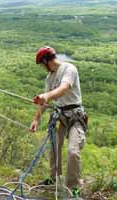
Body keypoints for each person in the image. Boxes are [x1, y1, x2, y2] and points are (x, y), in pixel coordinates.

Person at [30, 46, 87, 198]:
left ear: (45, 61)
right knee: (54, 146)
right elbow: (44, 103)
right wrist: (36, 119)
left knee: (73, 152)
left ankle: (73, 187)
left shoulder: (69, 69)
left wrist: (46, 95)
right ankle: (54, 177)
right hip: (60, 115)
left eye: (42, 65)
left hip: (75, 115)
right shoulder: (49, 78)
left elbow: (63, 88)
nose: (43, 68)